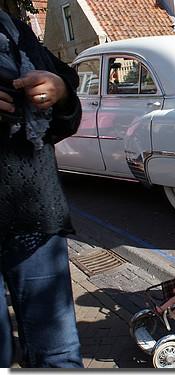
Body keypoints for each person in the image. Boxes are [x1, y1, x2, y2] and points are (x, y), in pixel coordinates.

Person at [0, 2, 83, 368]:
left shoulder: (15, 30)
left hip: (34, 212)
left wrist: (60, 91)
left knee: (59, 355)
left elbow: (64, 121)